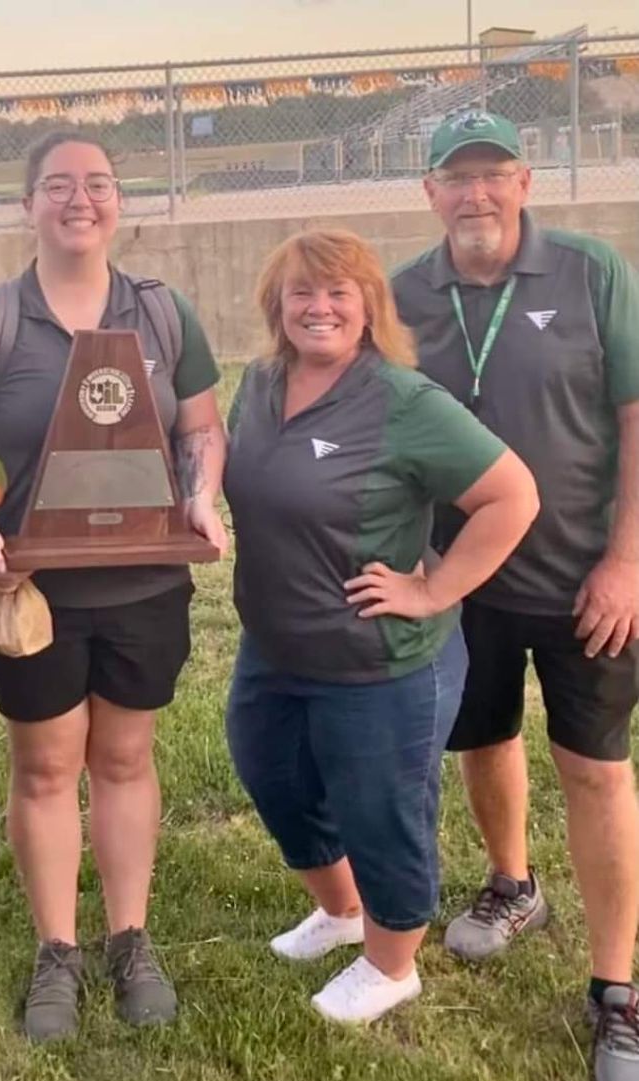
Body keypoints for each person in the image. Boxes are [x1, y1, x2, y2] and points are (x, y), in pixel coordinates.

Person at [0, 131, 228, 1042]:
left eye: (97, 183)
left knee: (126, 760)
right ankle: (58, 948)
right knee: (47, 768)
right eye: (57, 185)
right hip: (35, 594)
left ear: (118, 203)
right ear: (28, 205)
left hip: (145, 586)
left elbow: (203, 431)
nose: (78, 200)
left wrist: (203, 495)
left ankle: (129, 939)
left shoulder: (164, 314)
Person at [224, 229, 538, 1024]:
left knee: (381, 809)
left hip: (379, 661)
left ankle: (393, 963)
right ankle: (340, 912)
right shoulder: (260, 385)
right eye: (302, 292)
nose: (319, 307)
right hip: (274, 645)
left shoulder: (404, 402)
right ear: (277, 306)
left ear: (370, 308)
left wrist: (435, 588)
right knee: (274, 778)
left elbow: (513, 496)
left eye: (339, 293)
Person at [393, 110, 639, 1081]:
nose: (475, 193)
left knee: (597, 770)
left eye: (494, 173)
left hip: (588, 581)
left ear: (527, 181)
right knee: (482, 739)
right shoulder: (406, 294)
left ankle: (617, 993)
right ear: (430, 193)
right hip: (466, 582)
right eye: (456, 178)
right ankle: (512, 883)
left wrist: (627, 562)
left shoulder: (591, 272)